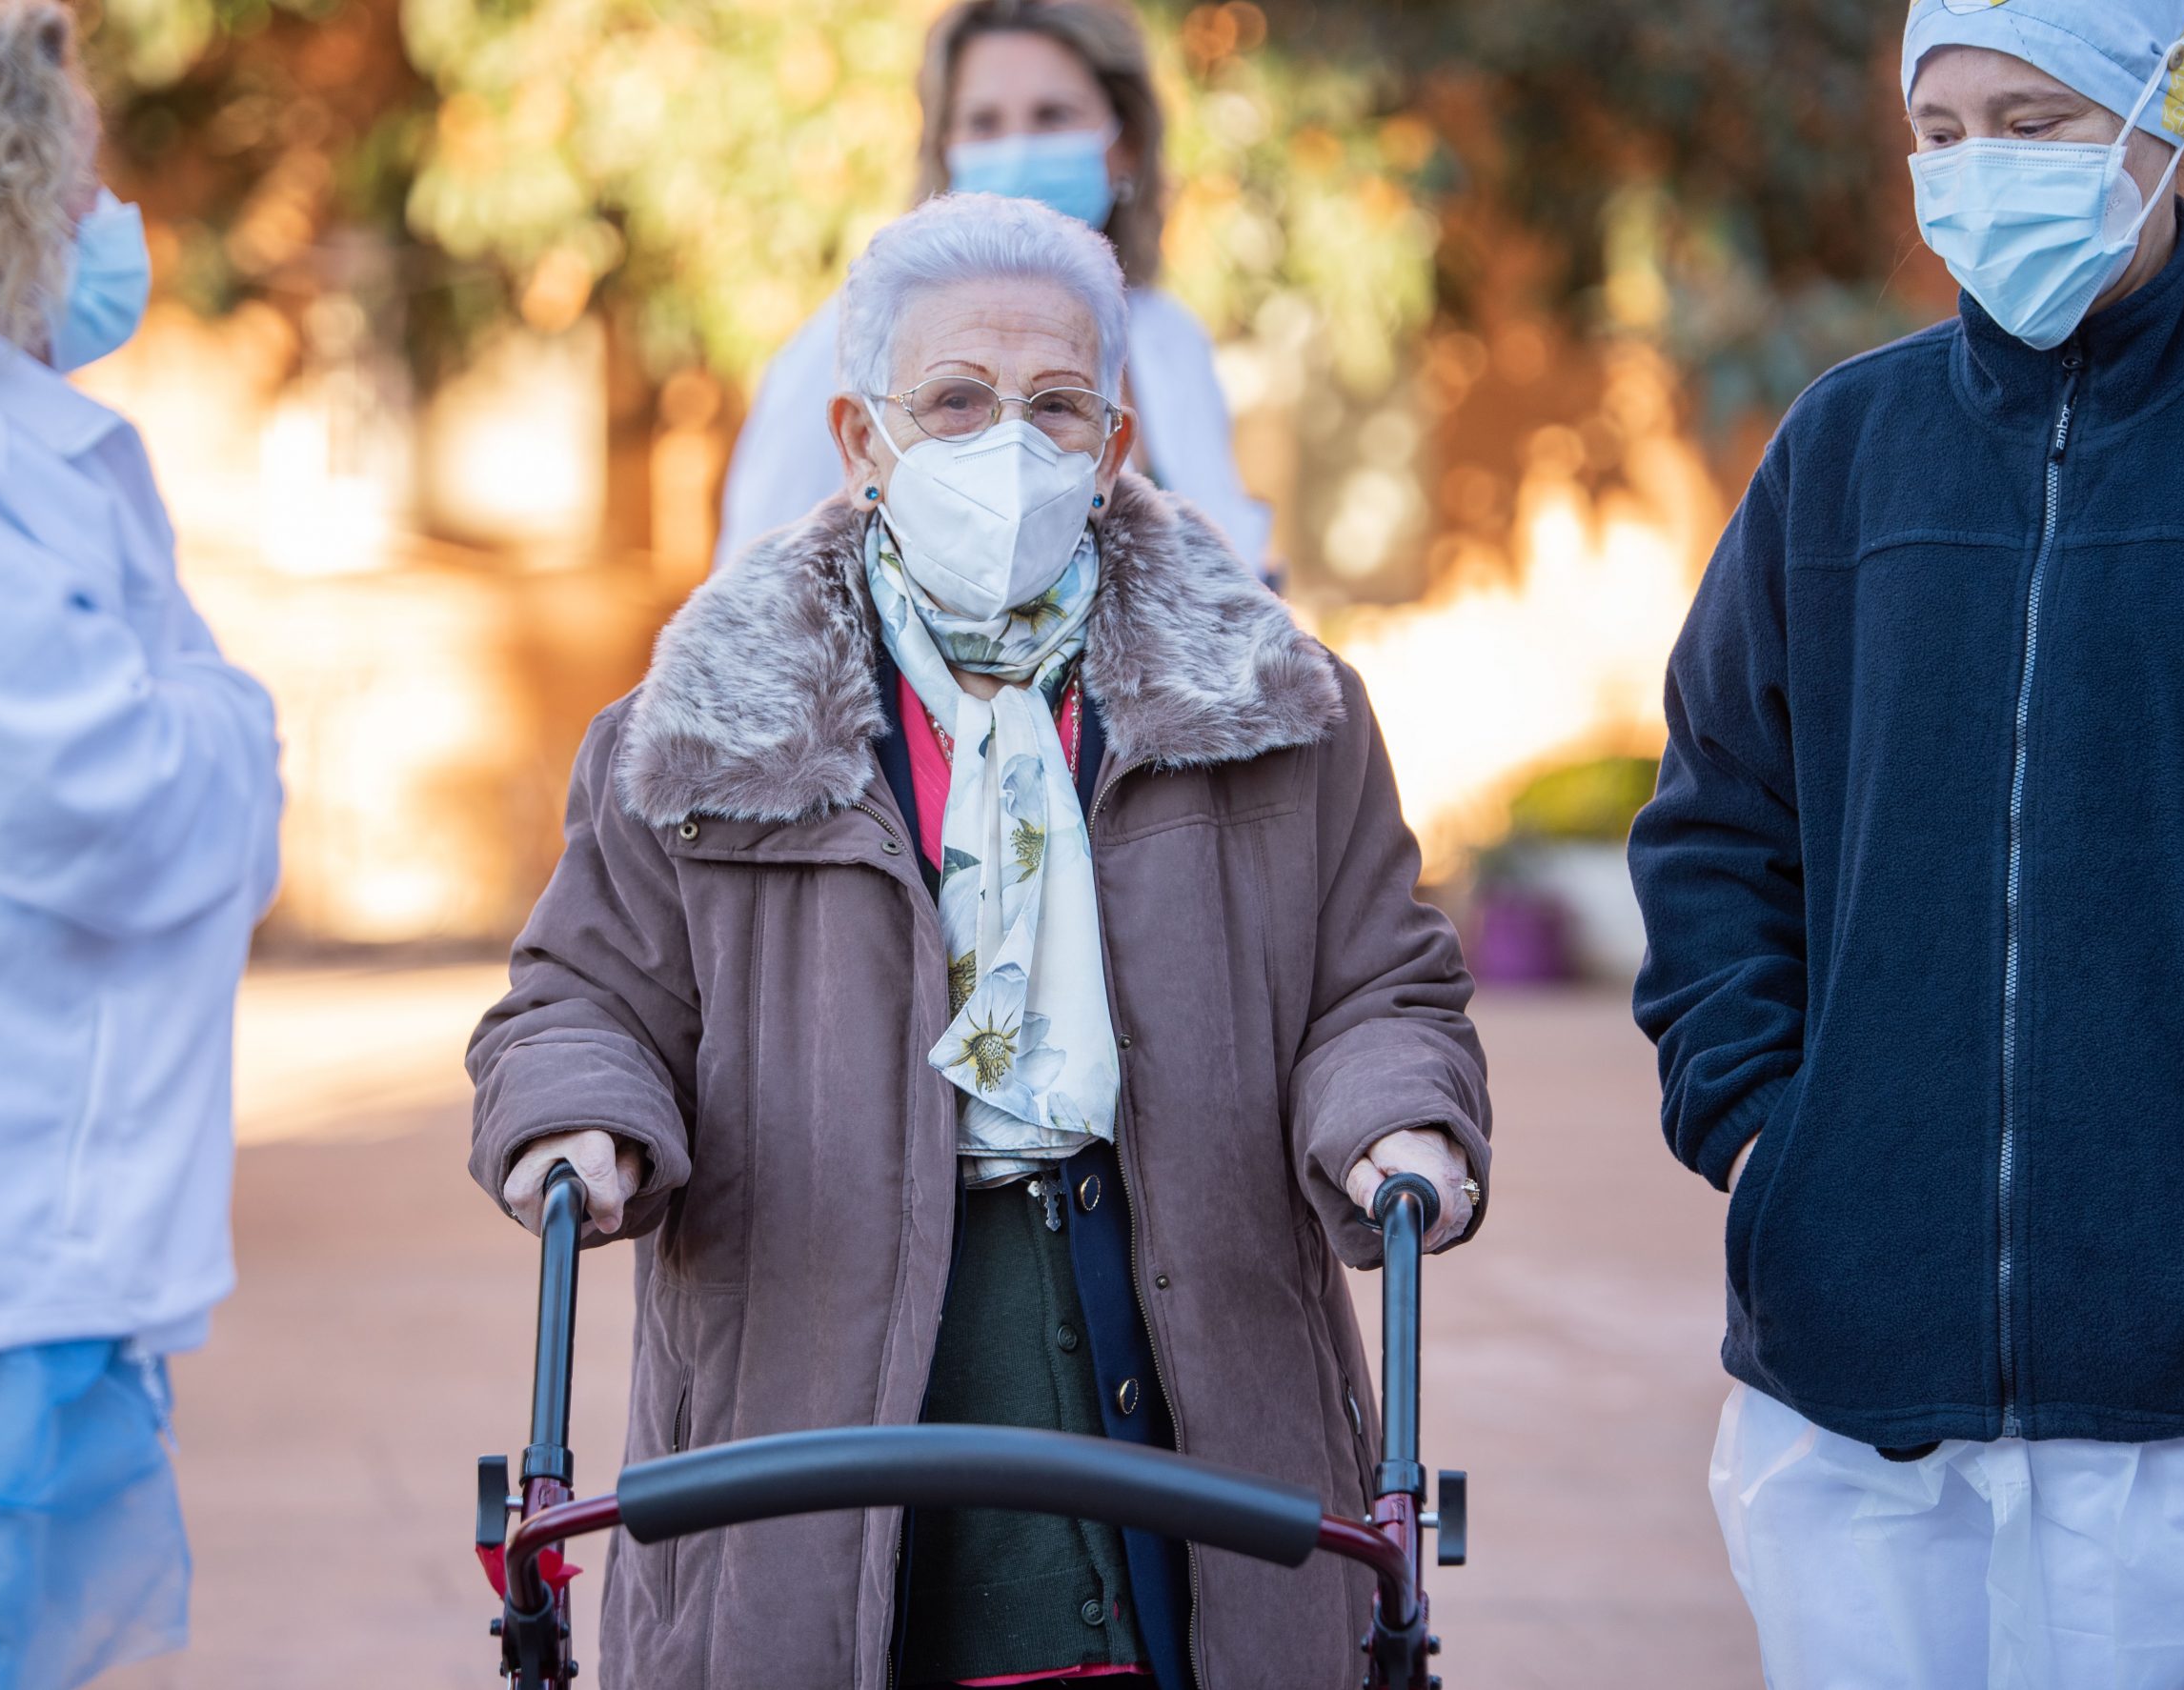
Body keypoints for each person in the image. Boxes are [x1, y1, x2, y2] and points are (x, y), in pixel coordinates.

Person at [469, 191, 1487, 1688]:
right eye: (953, 400)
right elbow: (578, 994)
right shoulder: (699, 729)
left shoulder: (1278, 712)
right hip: (812, 1390)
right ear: (862, 440)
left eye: (1056, 404)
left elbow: (1379, 978)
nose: (1006, 442)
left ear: (1115, 445)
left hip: (1186, 1374)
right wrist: (580, 1116)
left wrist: (1396, 1109)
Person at [1629, 2, 2184, 1684]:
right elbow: (1716, 815)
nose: (1980, 168)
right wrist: (1773, 1136)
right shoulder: (1843, 452)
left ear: (2174, 103)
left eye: (2038, 120)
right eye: (1944, 126)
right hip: (1850, 1395)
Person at [0, 6, 284, 1685]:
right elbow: (99, 802)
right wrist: (237, 725)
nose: (113, 228)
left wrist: (203, 732)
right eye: (82, 180)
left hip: (14, 1258)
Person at [714, 0, 1274, 579]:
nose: (1016, 148)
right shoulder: (840, 352)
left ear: (1125, 144)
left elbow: (1234, 575)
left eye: (1052, 115)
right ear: (945, 150)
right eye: (983, 123)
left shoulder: (1171, 340)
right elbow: (750, 599)